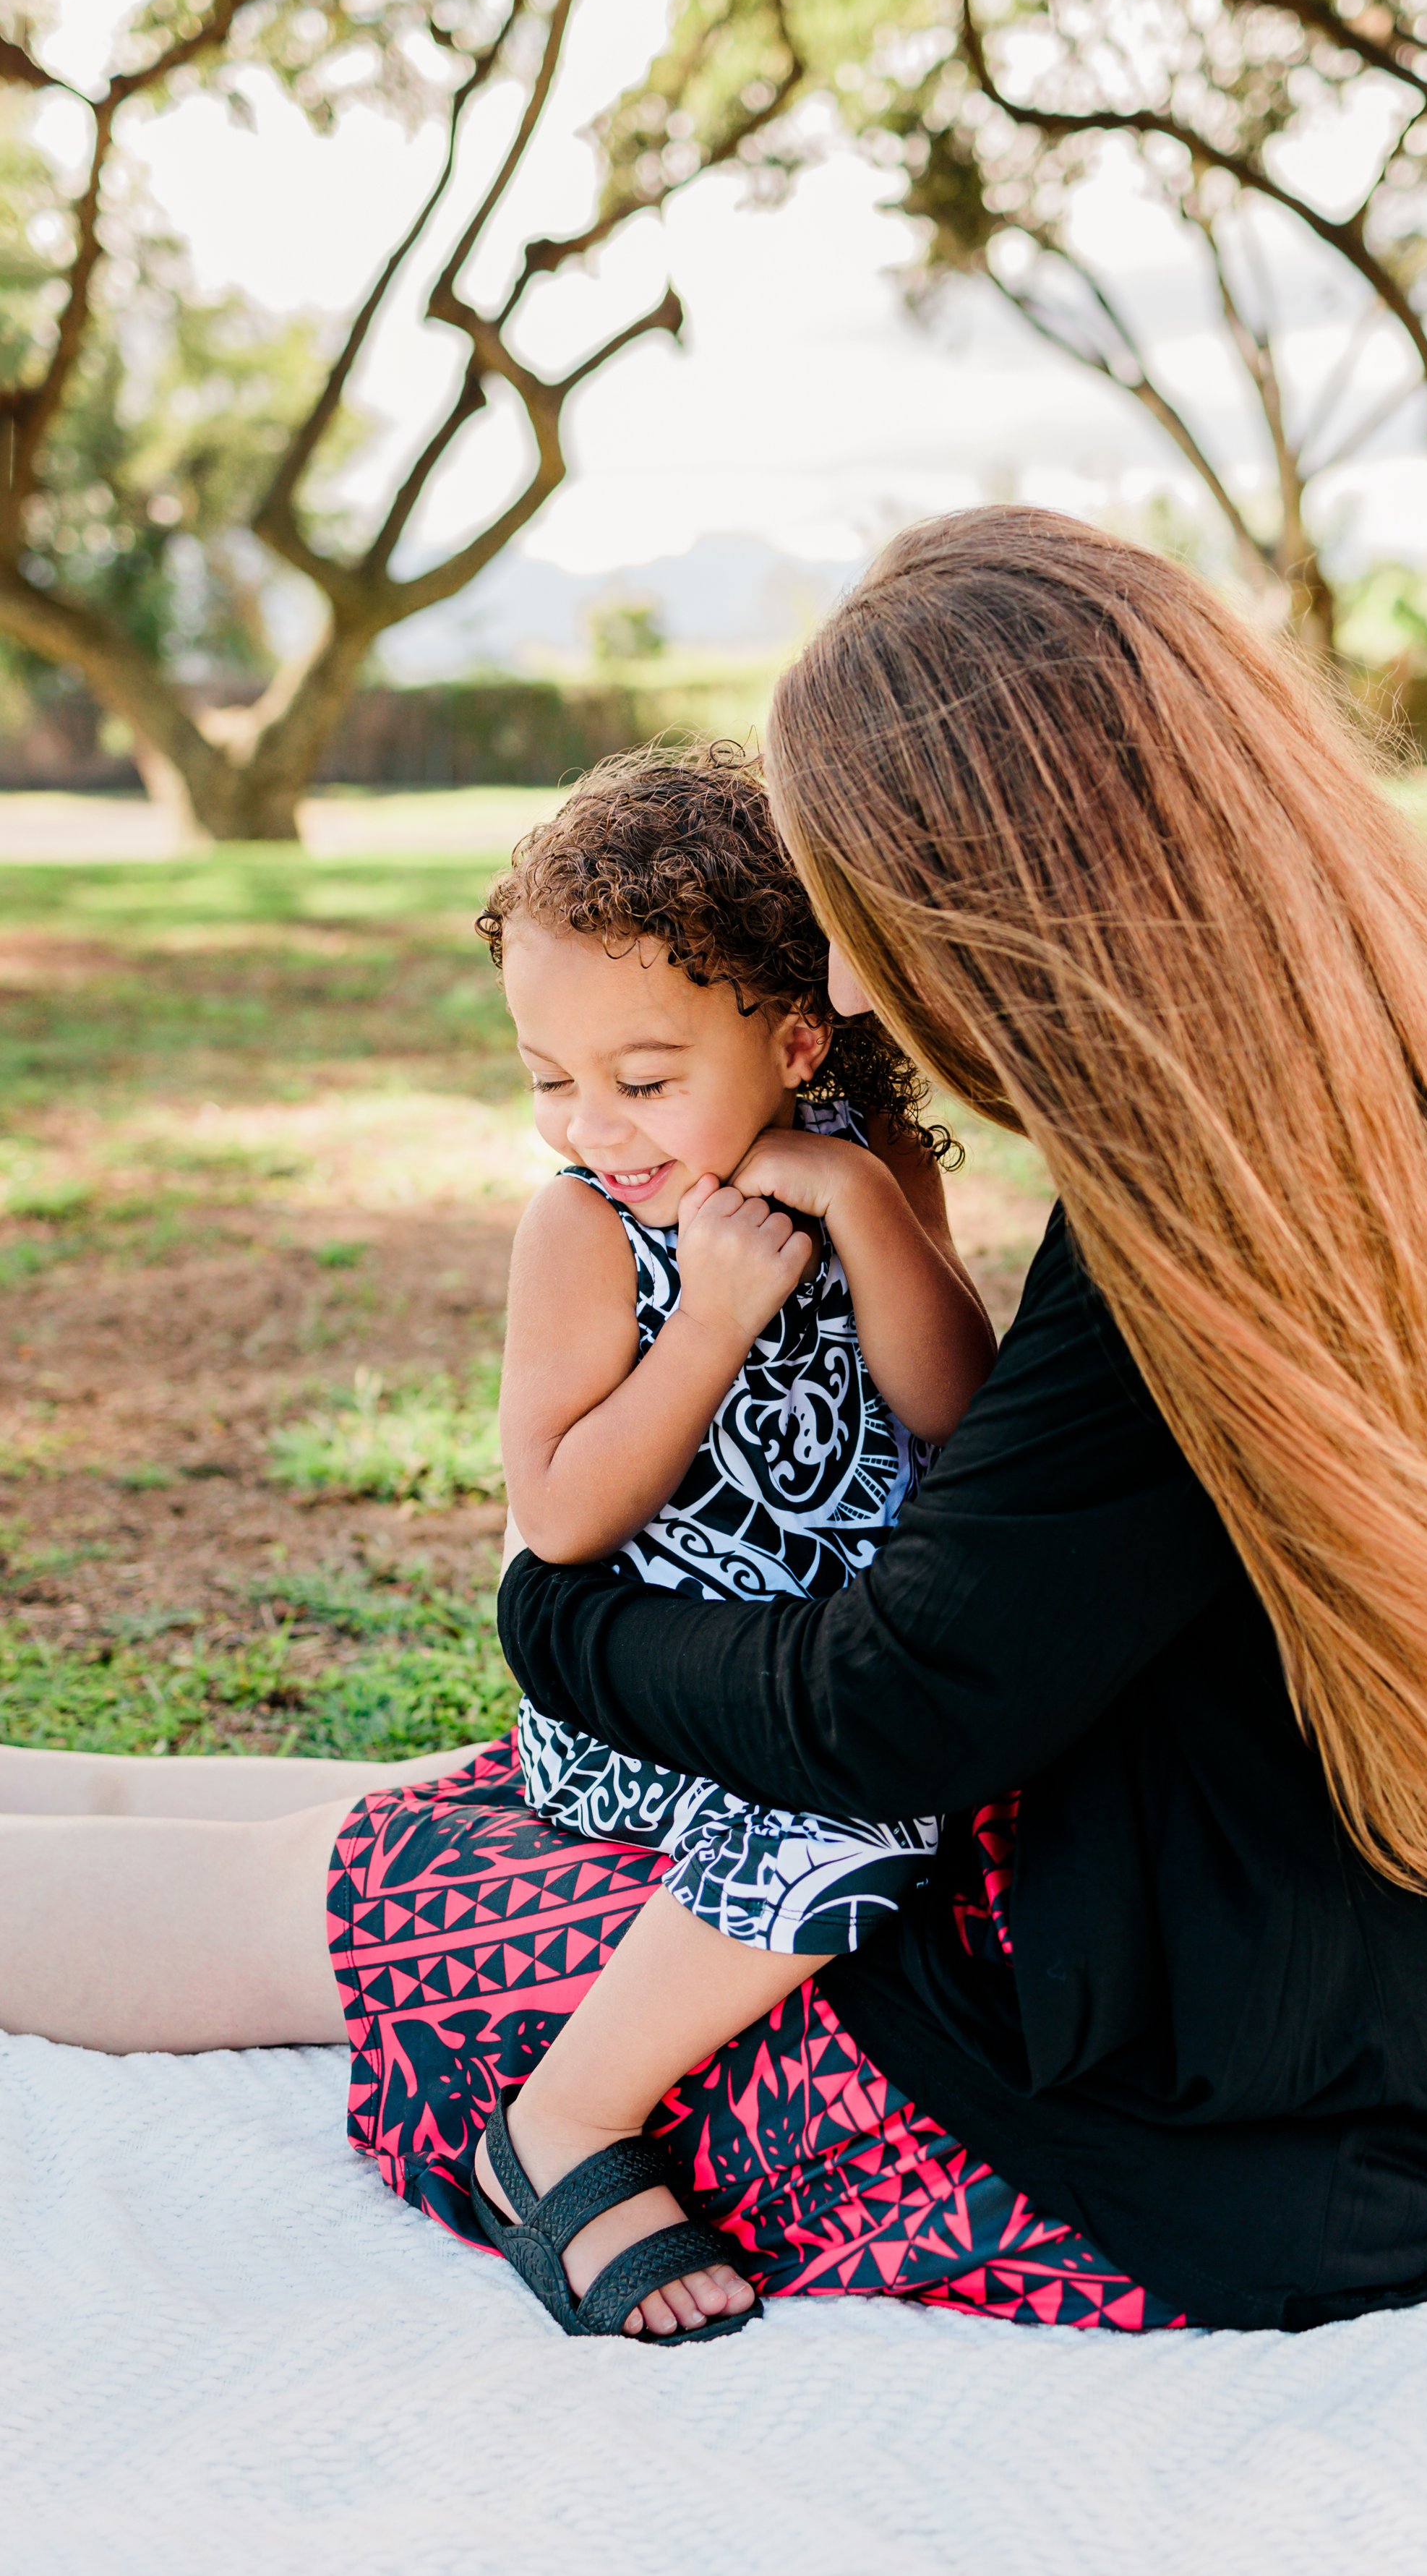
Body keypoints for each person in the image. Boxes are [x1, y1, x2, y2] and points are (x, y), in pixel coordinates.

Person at [0, 505, 1427, 2342]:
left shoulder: (1192, 1260)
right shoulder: (1393, 1097)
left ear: (1007, 897)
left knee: (342, 1904)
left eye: (854, 921)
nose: (837, 989)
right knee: (441, 1815)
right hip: (1378, 2011)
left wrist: (554, 1620)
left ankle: (537, 2115)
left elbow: (883, 1713)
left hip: (1227, 2147)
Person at [471, 748, 994, 2340]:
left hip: (833, 1671)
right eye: (547, 1074)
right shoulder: (582, 1229)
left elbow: (959, 1415)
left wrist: (853, 1199)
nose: (591, 1124)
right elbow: (554, 1514)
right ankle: (558, 2126)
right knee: (873, 1825)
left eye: (642, 1077)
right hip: (658, 1711)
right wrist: (707, 1320)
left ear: (790, 1038)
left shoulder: (864, 1166)